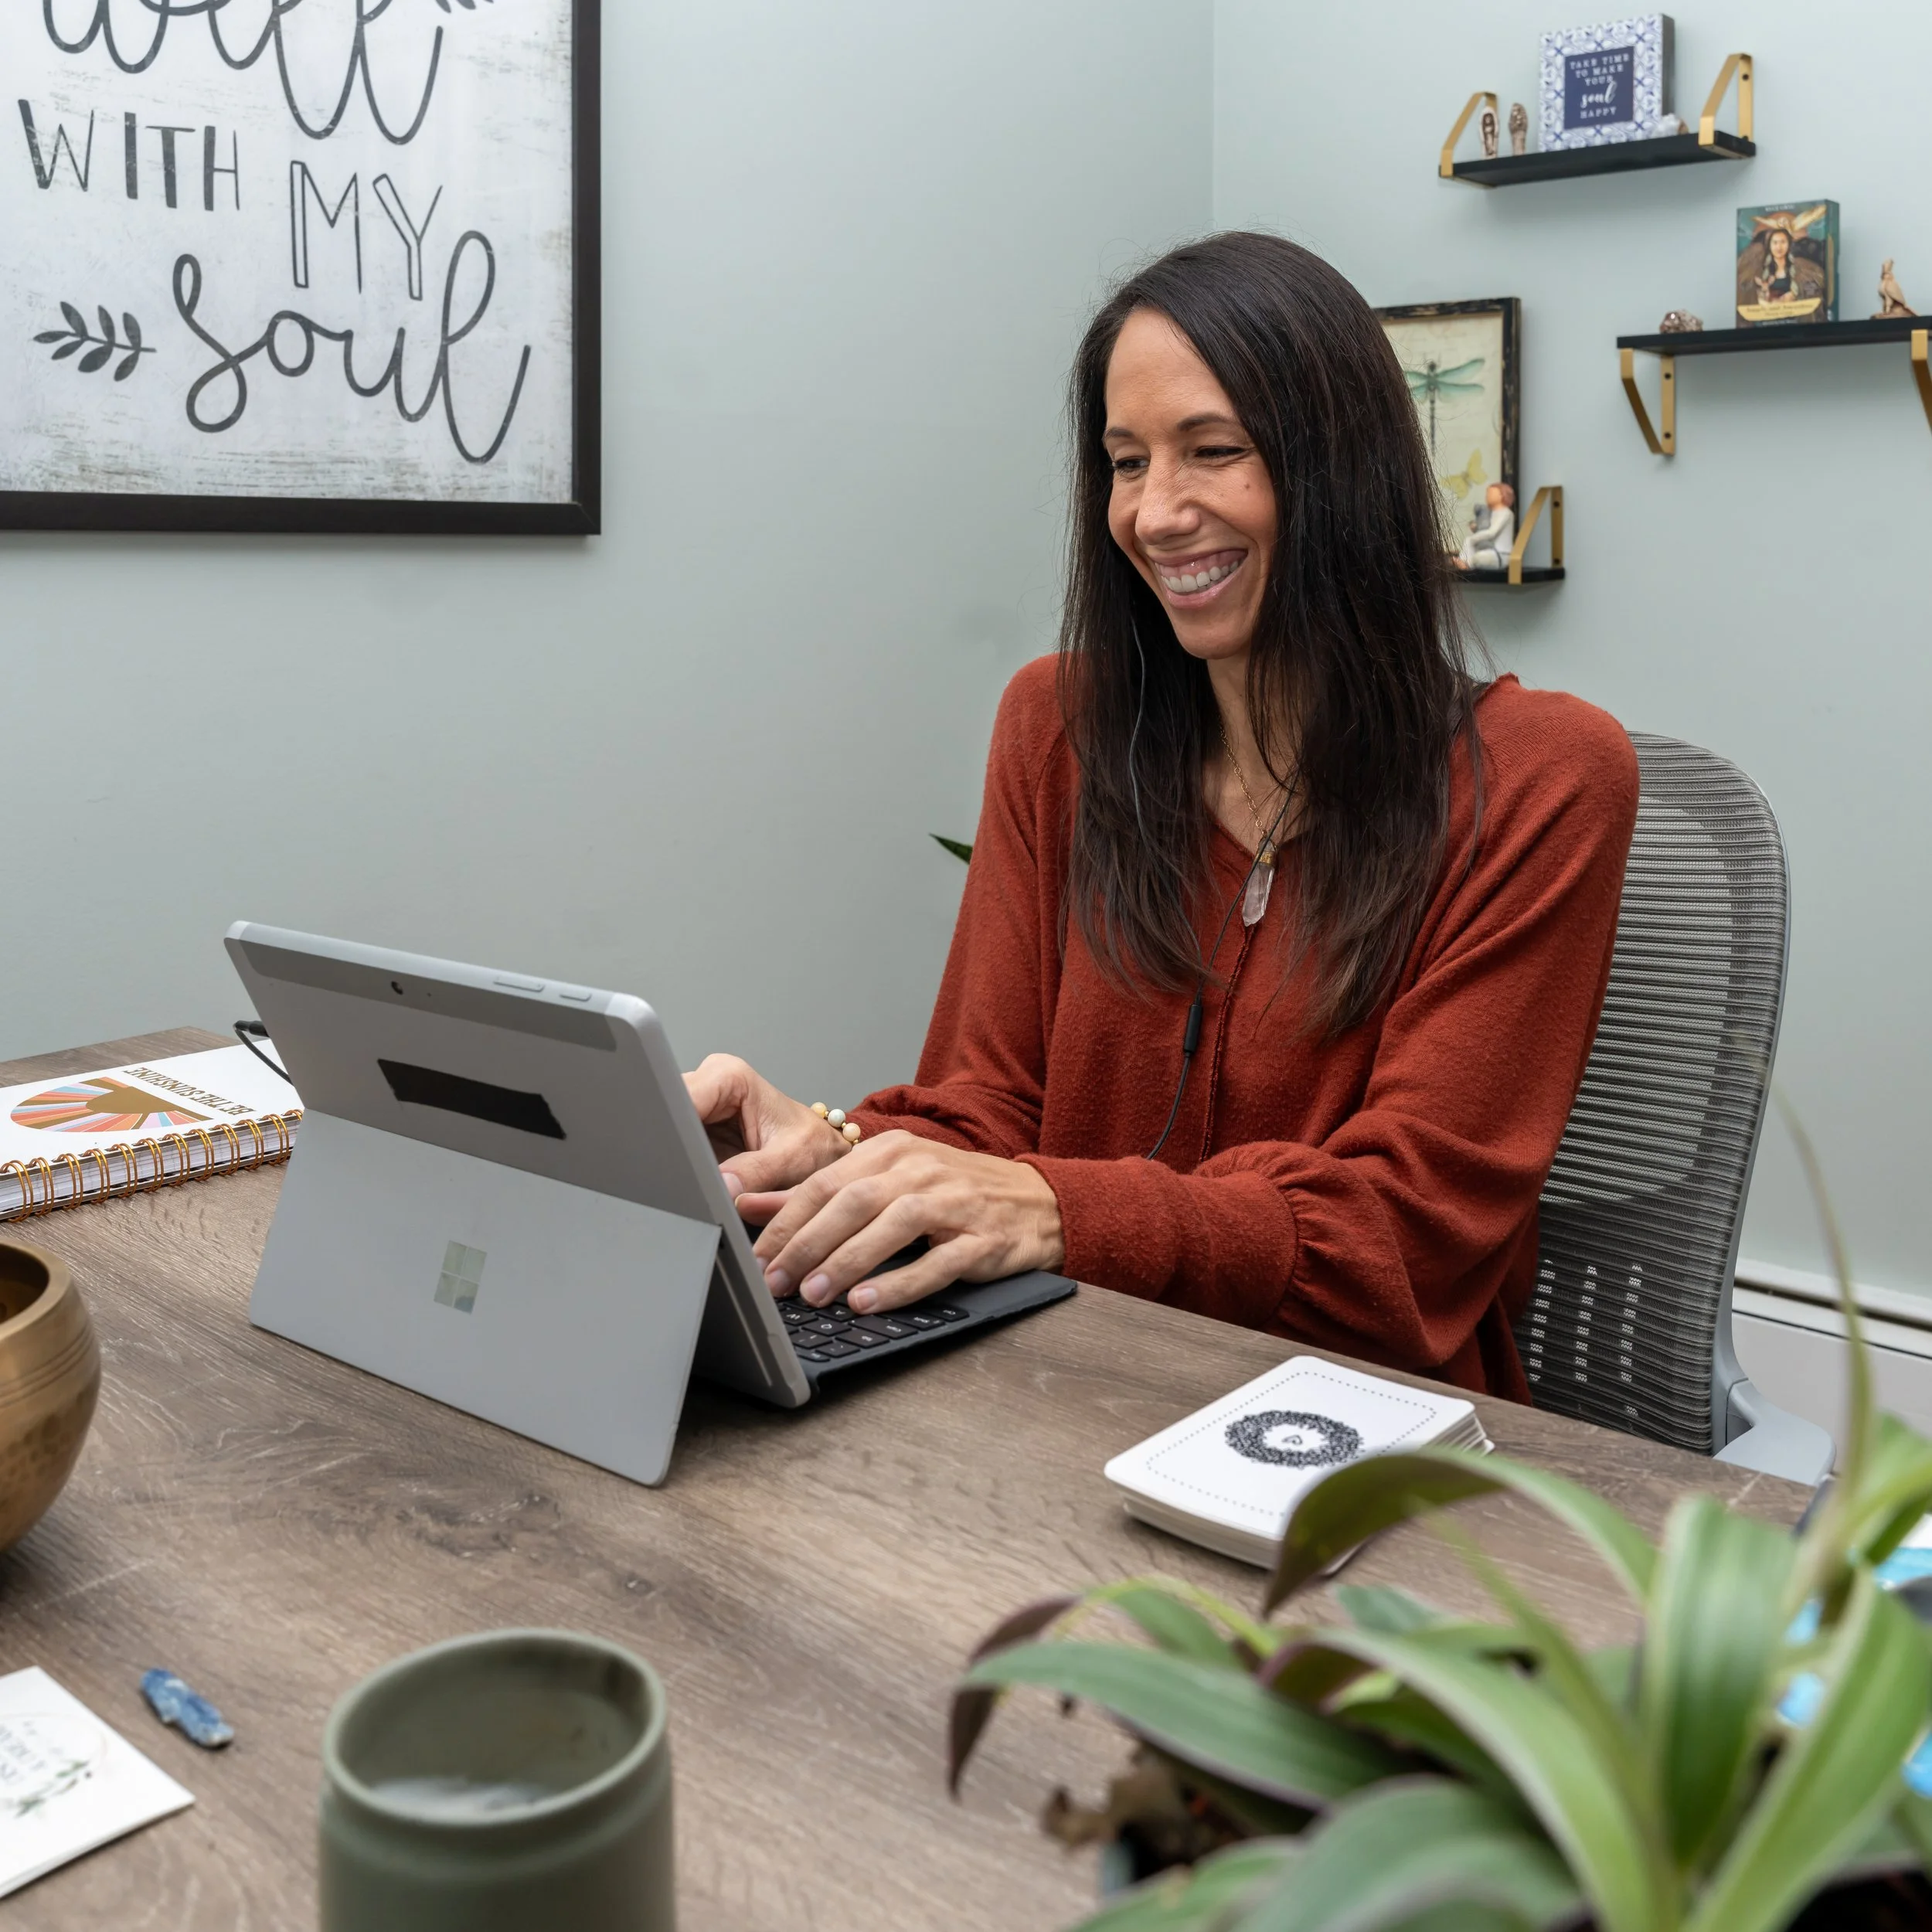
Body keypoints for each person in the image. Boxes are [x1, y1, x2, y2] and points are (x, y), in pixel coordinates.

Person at [685, 231, 1637, 1400]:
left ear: (1342, 467)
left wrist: (1056, 1208)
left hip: (1359, 1441)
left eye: (1213, 451)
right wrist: (831, 1152)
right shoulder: (1058, 726)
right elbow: (985, 1108)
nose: (1157, 512)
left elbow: (1403, 1240)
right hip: (1066, 1382)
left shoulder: (1546, 778)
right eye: (1127, 463)